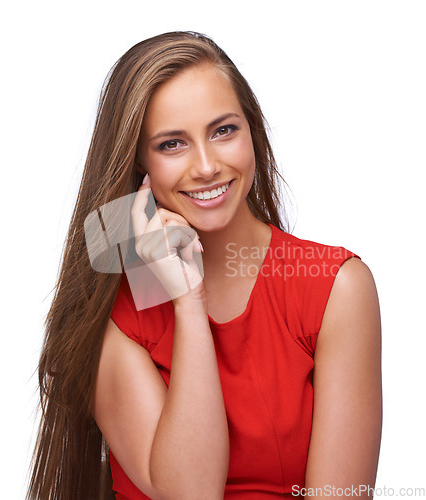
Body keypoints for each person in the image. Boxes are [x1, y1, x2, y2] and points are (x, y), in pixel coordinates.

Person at [27, 31, 382, 500]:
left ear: (252, 130)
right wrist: (187, 301)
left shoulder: (335, 288)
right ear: (137, 161)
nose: (207, 165)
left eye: (223, 130)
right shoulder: (107, 299)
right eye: (172, 144)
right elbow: (189, 494)